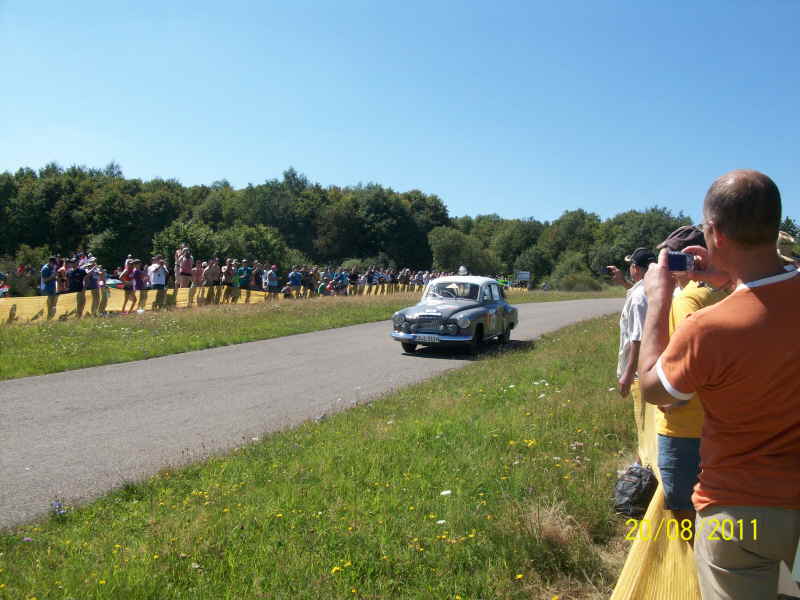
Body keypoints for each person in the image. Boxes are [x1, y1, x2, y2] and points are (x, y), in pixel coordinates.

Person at [638, 170, 800, 600]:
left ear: (713, 232)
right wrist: (730, 275)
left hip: (740, 510)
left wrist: (657, 304)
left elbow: (655, 390)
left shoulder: (707, 329)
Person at [653, 226, 728, 535]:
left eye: (672, 258)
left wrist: (670, 401)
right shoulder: (730, 291)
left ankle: (689, 573)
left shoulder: (688, 301)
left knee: (683, 509)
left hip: (684, 425)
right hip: (722, 423)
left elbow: (686, 366)